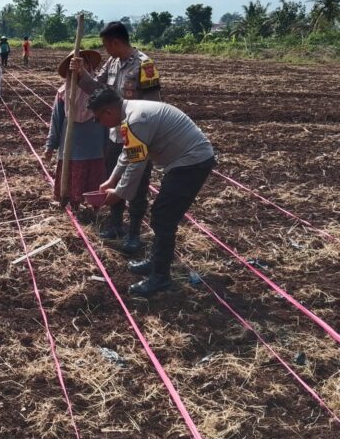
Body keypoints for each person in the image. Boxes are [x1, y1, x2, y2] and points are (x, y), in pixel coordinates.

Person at [86, 87, 215, 298]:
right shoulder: (131, 117)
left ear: (108, 111)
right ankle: (156, 262)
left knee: (164, 217)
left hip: (192, 162)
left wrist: (118, 193)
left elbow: (137, 163)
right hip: (183, 162)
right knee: (161, 215)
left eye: (98, 118)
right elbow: (129, 153)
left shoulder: (137, 119)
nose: (99, 124)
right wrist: (111, 180)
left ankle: (160, 277)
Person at [74, 20, 162, 254]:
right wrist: (81, 73)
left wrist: (142, 134)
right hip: (114, 134)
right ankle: (115, 224)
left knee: (138, 184)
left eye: (105, 45)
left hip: (138, 135)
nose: (105, 50)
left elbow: (153, 106)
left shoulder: (145, 65)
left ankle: (134, 233)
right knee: (113, 178)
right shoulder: (112, 63)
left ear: (115, 42)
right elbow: (97, 90)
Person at [44, 50, 107, 218]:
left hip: (94, 145)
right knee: (72, 178)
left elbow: (109, 116)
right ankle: (74, 205)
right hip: (71, 146)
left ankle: (95, 208)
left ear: (89, 66)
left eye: (84, 63)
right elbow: (56, 120)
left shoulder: (98, 89)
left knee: (95, 177)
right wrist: (50, 146)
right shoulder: (63, 93)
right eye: (76, 64)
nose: (80, 67)